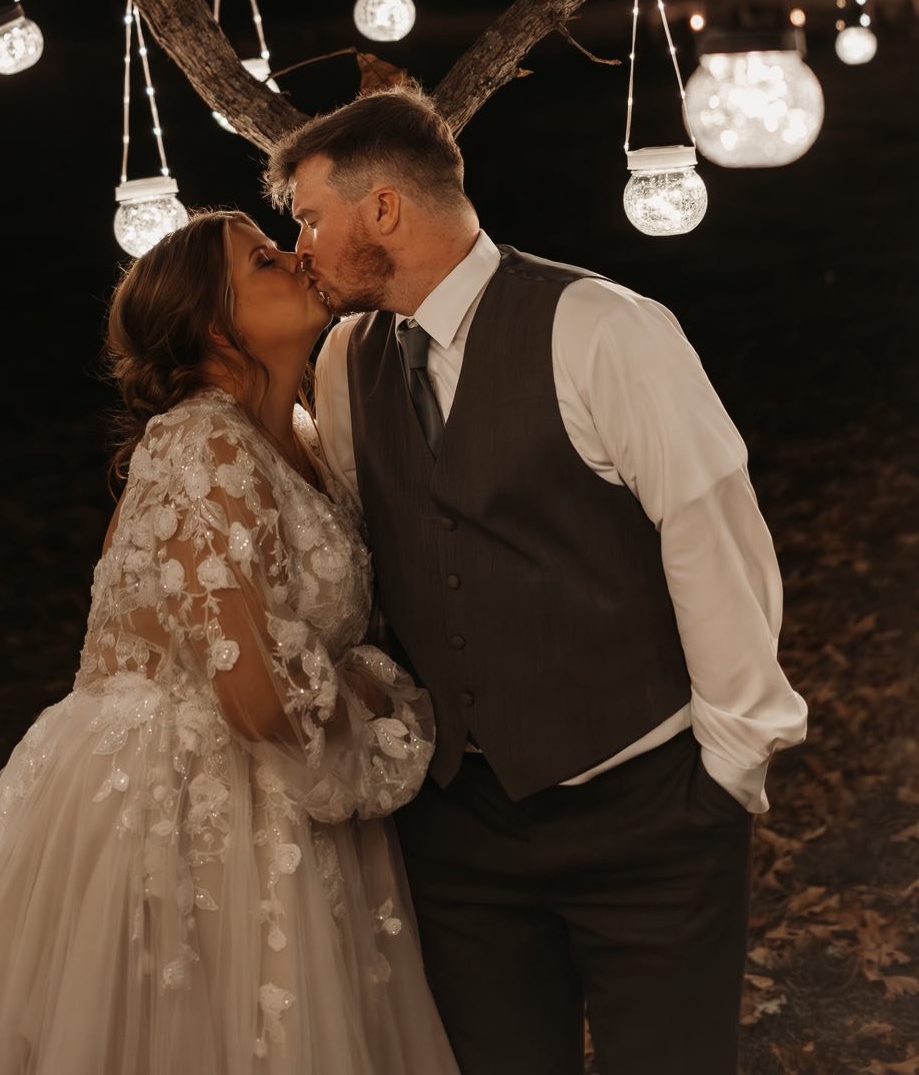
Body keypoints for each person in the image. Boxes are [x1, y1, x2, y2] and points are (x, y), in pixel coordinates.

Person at [264, 84, 808, 1075]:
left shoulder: (602, 327)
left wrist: (727, 766)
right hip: (460, 826)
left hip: (645, 804)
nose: (299, 244)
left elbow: (711, 528)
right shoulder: (347, 357)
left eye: (308, 215)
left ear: (384, 205)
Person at [0, 209, 459, 1075]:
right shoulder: (200, 446)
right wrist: (376, 696)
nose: (294, 256)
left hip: (284, 799)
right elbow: (252, 695)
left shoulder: (294, 436)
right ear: (216, 326)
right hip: (191, 809)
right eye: (262, 260)